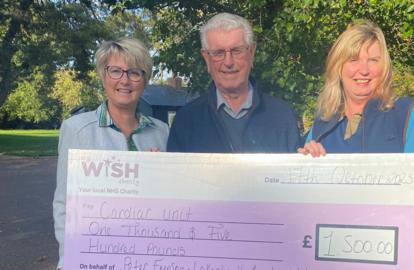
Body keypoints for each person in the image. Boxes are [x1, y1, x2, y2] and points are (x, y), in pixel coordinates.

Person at [298, 20, 414, 269]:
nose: (364, 70)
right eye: (353, 60)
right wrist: (302, 168)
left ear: (385, 66)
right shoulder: (320, 126)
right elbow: (303, 210)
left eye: (373, 60)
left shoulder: (407, 117)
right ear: (338, 67)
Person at [52, 37, 169, 269]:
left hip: (149, 255)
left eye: (135, 72)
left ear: (144, 80)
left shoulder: (161, 131)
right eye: (115, 71)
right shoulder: (77, 129)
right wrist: (72, 259)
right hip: (95, 257)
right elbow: (64, 204)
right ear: (103, 75)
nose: (124, 80)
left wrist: (161, 178)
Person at [167, 12, 301, 153]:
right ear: (206, 58)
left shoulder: (281, 116)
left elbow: (295, 173)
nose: (228, 62)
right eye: (218, 53)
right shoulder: (187, 120)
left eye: (237, 51)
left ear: (252, 52)